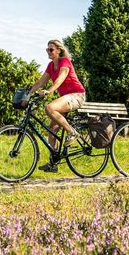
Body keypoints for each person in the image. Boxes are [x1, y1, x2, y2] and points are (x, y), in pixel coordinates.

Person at [26, 39, 87, 172]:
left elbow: (61, 78)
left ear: (58, 50)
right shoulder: (50, 66)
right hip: (65, 99)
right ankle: (53, 164)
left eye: (51, 49)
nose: (48, 51)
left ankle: (73, 133)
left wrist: (50, 90)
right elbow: (40, 82)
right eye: (47, 49)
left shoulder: (65, 62)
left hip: (77, 95)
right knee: (52, 131)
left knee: (49, 107)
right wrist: (28, 94)